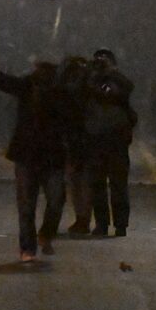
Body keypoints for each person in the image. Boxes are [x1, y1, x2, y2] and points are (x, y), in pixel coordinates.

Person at [0, 45, 69, 261]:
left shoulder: (59, 93)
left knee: (40, 203)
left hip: (43, 155)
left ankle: (38, 240)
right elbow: (3, 81)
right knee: (38, 203)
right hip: (35, 154)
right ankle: (32, 244)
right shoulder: (33, 87)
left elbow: (2, 81)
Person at [84, 48, 136, 237]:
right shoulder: (90, 80)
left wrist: (110, 73)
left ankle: (121, 224)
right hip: (96, 139)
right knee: (97, 184)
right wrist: (93, 73)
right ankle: (101, 223)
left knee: (118, 184)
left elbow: (127, 88)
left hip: (116, 140)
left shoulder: (119, 82)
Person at [60, 56, 93, 234]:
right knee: (81, 181)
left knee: (78, 181)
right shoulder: (90, 86)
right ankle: (83, 217)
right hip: (83, 137)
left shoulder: (71, 89)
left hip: (77, 137)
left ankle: (83, 218)